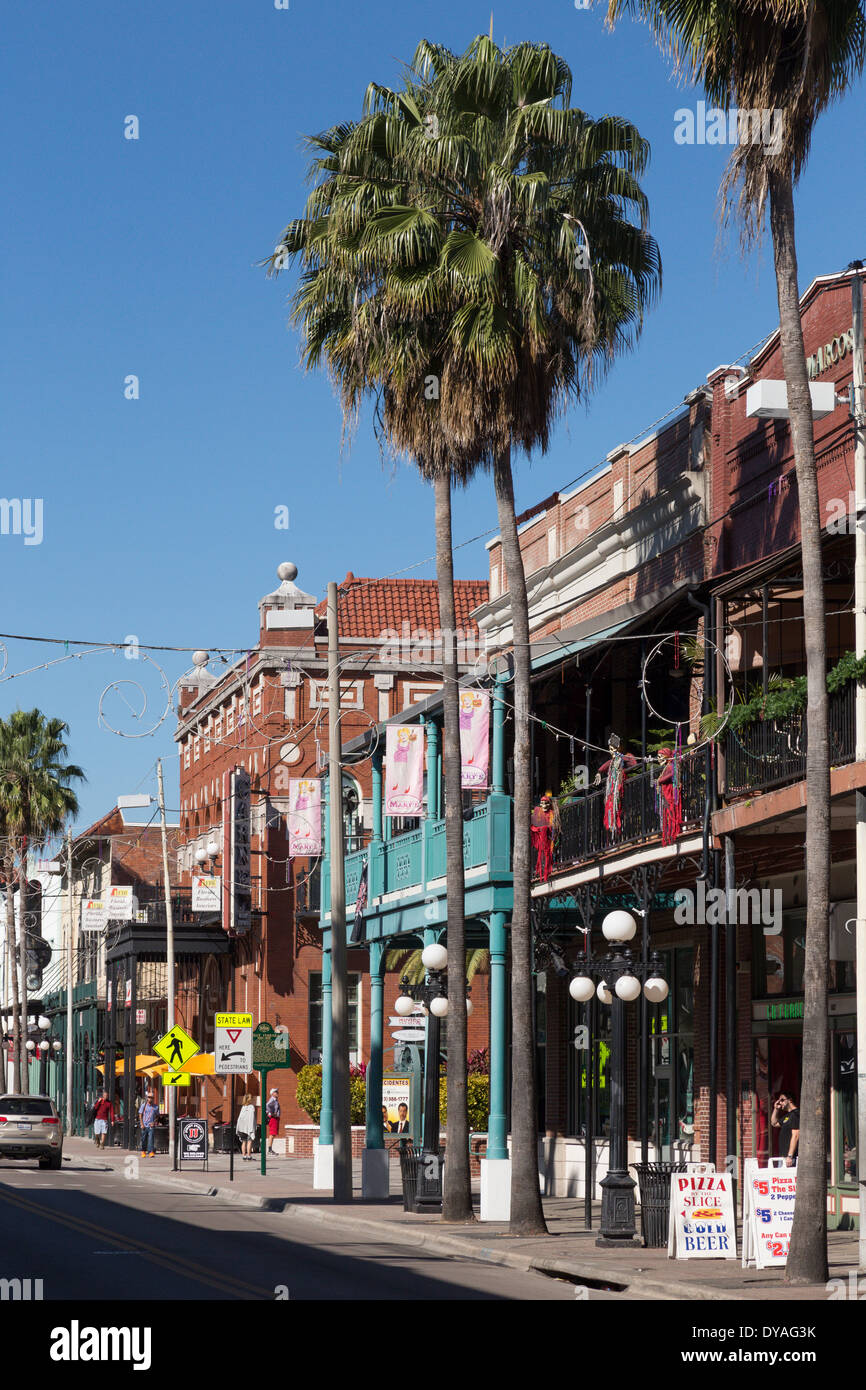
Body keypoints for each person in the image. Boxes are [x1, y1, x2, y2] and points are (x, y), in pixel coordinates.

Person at [594, 734, 638, 835]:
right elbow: (604, 766)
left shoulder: (622, 758)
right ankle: (613, 830)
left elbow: (634, 763)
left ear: (619, 748)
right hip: (611, 789)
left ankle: (621, 829)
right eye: (610, 749)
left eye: (614, 749)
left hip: (619, 787)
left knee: (619, 807)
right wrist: (599, 772)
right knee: (610, 808)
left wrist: (623, 756)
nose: (611, 751)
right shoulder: (612, 761)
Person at [530, 791, 560, 881]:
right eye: (542, 803)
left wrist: (546, 829)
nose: (544, 805)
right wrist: (539, 829)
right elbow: (533, 825)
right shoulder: (537, 812)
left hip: (548, 837)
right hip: (540, 837)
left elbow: (552, 825)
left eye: (546, 803)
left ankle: (548, 869)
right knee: (541, 854)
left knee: (548, 853)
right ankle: (540, 871)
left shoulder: (552, 813)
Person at [770, 1091, 800, 1166]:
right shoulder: (788, 1116)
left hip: (790, 1158)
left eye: (782, 1100)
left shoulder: (796, 1114)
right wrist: (776, 1109)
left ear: (790, 1100)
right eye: (779, 1100)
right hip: (784, 1157)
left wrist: (790, 1156)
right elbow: (774, 1123)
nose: (780, 1102)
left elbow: (796, 1135)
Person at [138, 1091, 159, 1158]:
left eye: (152, 1097)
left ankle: (151, 1152)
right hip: (144, 1125)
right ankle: (143, 1151)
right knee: (143, 1139)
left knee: (151, 1139)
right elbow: (140, 1115)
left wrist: (154, 1122)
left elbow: (157, 1116)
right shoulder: (143, 1106)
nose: (150, 1099)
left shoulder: (156, 1107)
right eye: (149, 1097)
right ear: (147, 1098)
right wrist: (141, 1124)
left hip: (151, 1126)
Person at [236, 1093, 256, 1160]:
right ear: (249, 1099)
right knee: (249, 1141)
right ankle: (249, 1156)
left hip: (241, 1127)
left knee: (244, 1142)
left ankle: (244, 1156)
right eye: (251, 1098)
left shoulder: (243, 1107)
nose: (252, 1099)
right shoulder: (251, 1107)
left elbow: (240, 1118)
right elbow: (252, 1118)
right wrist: (252, 1128)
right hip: (248, 1127)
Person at [265, 1087, 281, 1154]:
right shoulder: (272, 1100)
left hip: (275, 1118)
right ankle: (269, 1149)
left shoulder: (275, 1100)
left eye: (277, 1092)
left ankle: (270, 1149)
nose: (277, 1093)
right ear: (272, 1094)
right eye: (276, 1092)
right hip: (273, 1118)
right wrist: (271, 1113)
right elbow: (267, 1105)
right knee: (272, 1133)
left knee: (273, 1134)